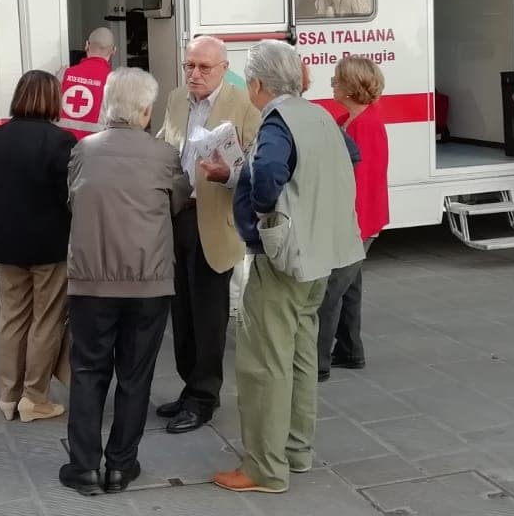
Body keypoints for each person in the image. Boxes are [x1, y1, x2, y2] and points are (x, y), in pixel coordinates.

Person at [207, 40, 363, 494]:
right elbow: (348, 158)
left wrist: (263, 213)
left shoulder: (276, 121)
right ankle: (296, 451)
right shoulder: (317, 116)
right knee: (298, 356)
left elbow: (271, 172)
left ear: (255, 83)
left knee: (263, 365)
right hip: (324, 254)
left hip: (284, 257)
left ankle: (264, 468)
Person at [59, 68, 192, 496]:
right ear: (147, 111)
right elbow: (178, 200)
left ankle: (83, 468)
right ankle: (120, 466)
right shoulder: (165, 155)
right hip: (148, 282)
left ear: (108, 105)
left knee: (88, 371)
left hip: (91, 282)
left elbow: (72, 199)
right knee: (136, 375)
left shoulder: (84, 150)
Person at [154, 35, 262, 434]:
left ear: (223, 68)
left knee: (209, 315)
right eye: (189, 66)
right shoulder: (177, 98)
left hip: (216, 218)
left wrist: (228, 174)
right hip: (178, 215)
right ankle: (189, 387)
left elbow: (254, 165)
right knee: (179, 311)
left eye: (203, 67)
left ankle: (204, 397)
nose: (194, 74)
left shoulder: (243, 103)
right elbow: (167, 146)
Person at [0, 70, 76, 423]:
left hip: (5, 244)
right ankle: (35, 398)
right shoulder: (62, 141)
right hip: (50, 246)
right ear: (53, 99)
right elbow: (69, 199)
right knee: (46, 321)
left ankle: (8, 396)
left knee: (12, 318)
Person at [318, 56, 389, 382]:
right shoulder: (352, 121)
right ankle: (349, 350)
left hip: (356, 222)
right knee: (349, 287)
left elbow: (361, 182)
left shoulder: (364, 125)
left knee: (330, 291)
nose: (332, 83)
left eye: (336, 79)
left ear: (350, 87)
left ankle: (317, 362)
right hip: (359, 221)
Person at [58, 27, 116, 139]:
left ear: (86, 45)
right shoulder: (114, 81)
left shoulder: (63, 74)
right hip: (94, 149)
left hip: (58, 145)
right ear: (114, 50)